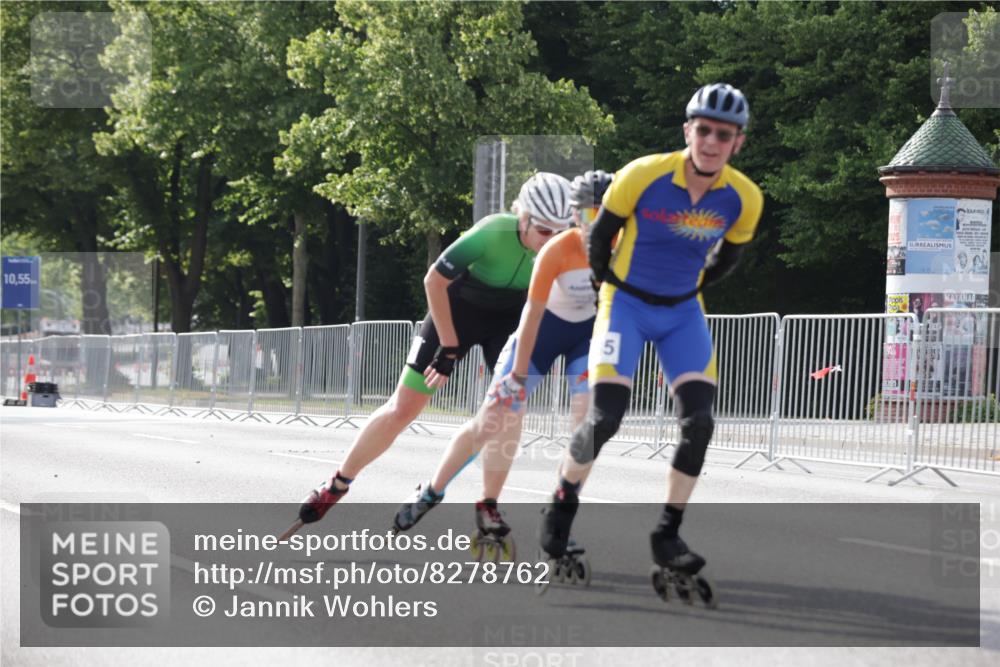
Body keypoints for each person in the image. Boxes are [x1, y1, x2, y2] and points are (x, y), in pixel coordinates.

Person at [539, 83, 764, 581]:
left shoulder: (743, 198)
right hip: (626, 305)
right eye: (702, 129)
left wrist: (686, 287)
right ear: (688, 130)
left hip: (683, 312)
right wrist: (606, 290)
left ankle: (667, 532)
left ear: (737, 143)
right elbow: (599, 240)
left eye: (722, 134)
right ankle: (562, 501)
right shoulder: (643, 175)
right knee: (604, 418)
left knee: (699, 423)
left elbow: (728, 259)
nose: (710, 141)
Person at [286, 172, 575, 534]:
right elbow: (434, 281)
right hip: (456, 310)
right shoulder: (493, 231)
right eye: (545, 232)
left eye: (561, 232)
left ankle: (487, 504)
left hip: (508, 319)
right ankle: (338, 483)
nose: (553, 241)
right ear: (524, 218)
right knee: (403, 408)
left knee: (509, 412)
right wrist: (450, 346)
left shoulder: (564, 246)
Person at [391, 171, 615, 544]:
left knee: (587, 421)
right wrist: (519, 374)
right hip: (540, 335)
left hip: (583, 339)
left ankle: (561, 512)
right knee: (495, 418)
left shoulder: (626, 248)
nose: (597, 226)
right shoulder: (559, 249)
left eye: (607, 217)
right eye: (588, 217)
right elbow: (531, 314)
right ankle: (433, 490)